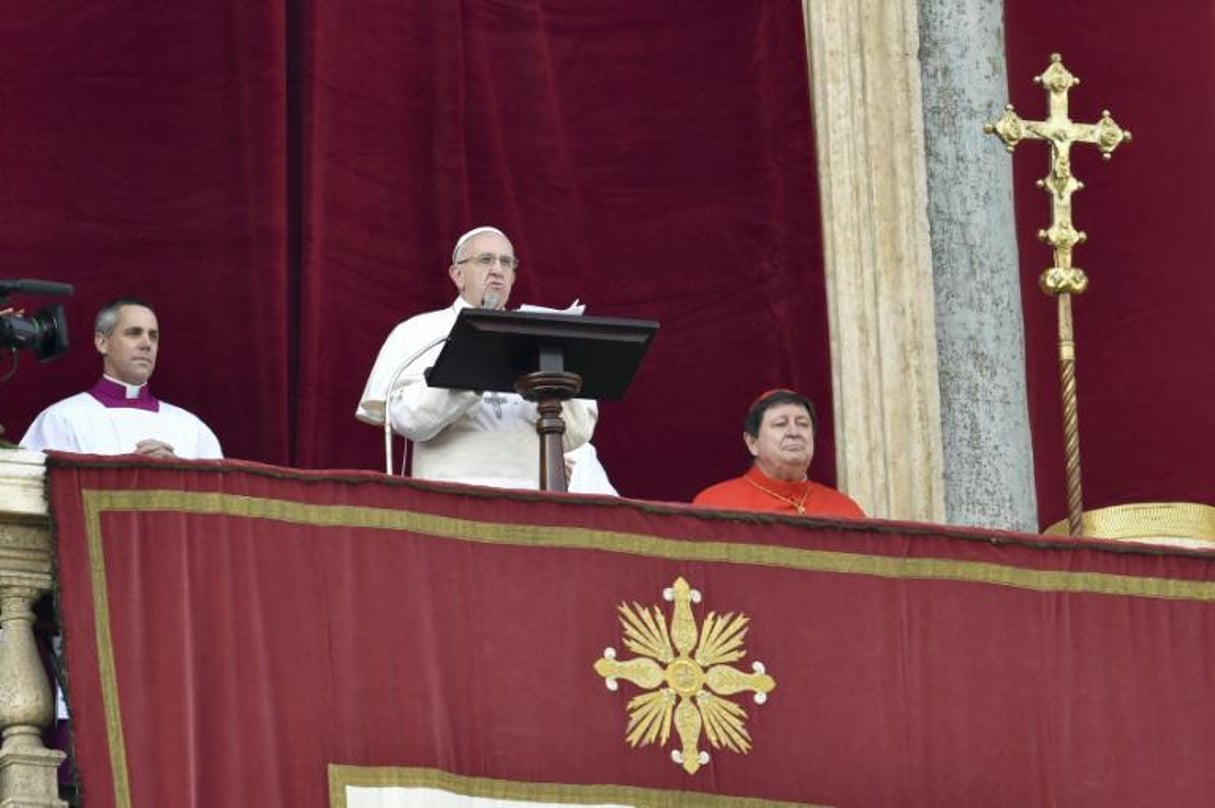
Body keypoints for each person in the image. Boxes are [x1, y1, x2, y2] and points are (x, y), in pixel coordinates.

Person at [356, 226, 597, 489]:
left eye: (506, 262)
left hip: (532, 496)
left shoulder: (539, 336)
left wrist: (553, 374)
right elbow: (410, 421)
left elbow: (577, 434)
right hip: (451, 495)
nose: (497, 270)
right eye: (485, 260)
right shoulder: (418, 332)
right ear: (457, 274)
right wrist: (471, 369)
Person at [21, 297, 222, 459]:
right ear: (102, 342)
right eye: (134, 333)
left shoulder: (191, 428)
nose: (147, 344)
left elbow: (215, 504)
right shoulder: (62, 420)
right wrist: (126, 475)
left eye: (153, 336)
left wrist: (178, 475)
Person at [692, 388, 864, 518]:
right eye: (780, 424)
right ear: (753, 442)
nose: (794, 432)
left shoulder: (845, 510)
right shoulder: (715, 505)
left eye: (803, 424)